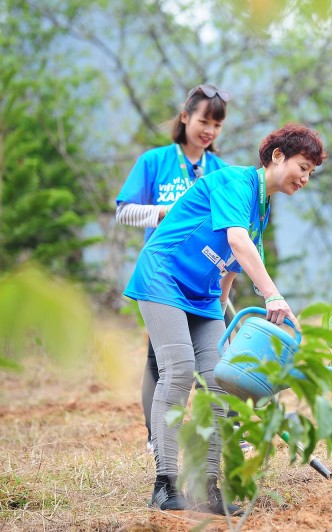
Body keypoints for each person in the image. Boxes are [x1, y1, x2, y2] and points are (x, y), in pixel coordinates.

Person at [123, 123, 326, 514]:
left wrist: (221, 326)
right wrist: (273, 293)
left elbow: (230, 268)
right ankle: (164, 485)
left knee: (220, 380)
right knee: (180, 369)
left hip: (201, 295)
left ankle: (209, 488)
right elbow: (236, 241)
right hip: (163, 275)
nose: (305, 178)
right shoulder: (235, 181)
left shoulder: (260, 209)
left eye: (311, 173)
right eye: (302, 166)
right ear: (277, 156)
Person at [116, 85, 230, 454]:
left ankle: (221, 433)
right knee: (162, 358)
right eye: (203, 120)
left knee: (212, 360)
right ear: (185, 117)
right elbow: (123, 211)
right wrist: (163, 212)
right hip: (163, 277)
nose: (208, 130)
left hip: (203, 279)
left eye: (216, 124)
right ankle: (157, 435)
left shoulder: (221, 171)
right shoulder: (155, 161)